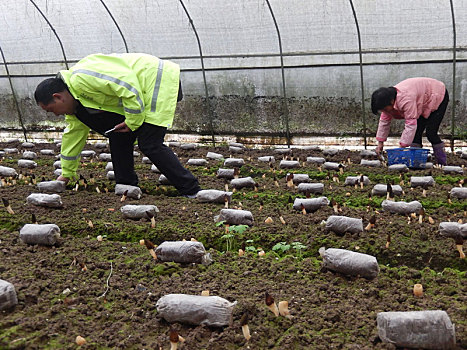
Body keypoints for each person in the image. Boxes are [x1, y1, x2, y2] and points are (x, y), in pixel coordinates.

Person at [34, 53, 201, 197]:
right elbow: (73, 137)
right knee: (118, 134)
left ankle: (191, 189)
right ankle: (126, 185)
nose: (55, 115)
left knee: (150, 142)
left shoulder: (81, 78)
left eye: (51, 110)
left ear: (58, 97)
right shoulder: (76, 105)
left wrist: (132, 121)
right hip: (142, 89)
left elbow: (127, 85)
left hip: (155, 79)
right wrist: (66, 174)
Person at [371, 77, 449, 165]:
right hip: (421, 98)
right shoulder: (386, 103)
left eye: (384, 109)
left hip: (437, 94)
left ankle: (442, 162)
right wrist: (380, 144)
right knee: (416, 134)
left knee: (431, 133)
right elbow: (384, 122)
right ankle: (417, 162)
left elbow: (410, 124)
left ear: (392, 101)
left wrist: (401, 148)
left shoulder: (406, 100)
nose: (384, 111)